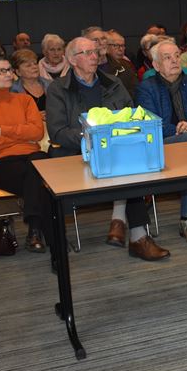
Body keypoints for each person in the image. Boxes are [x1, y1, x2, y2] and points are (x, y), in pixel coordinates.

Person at [47, 37, 170, 261]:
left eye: (95, 52)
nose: (94, 57)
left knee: (134, 169)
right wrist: (92, 138)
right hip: (78, 152)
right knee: (122, 167)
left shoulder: (112, 82)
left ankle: (138, 236)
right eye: (87, 53)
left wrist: (111, 139)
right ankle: (115, 221)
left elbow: (132, 116)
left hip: (115, 149)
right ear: (73, 60)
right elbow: (57, 131)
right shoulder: (58, 89)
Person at [0, 54, 52, 254]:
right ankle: (51, 235)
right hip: (2, 164)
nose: (9, 74)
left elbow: (37, 132)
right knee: (41, 179)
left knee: (38, 167)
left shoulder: (24, 100)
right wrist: (22, 134)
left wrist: (4, 130)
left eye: (9, 69)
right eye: (2, 70)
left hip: (33, 157)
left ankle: (35, 230)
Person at [136, 40, 187, 245]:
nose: (174, 61)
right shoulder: (146, 87)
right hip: (162, 144)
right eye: (167, 58)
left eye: (177, 55)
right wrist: (182, 130)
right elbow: (151, 122)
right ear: (156, 65)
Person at [10, 48, 51, 118]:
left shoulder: (50, 84)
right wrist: (34, 116)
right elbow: (14, 116)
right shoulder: (13, 91)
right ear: (18, 72)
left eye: (35, 63)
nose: (34, 67)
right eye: (28, 65)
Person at [102, 30, 139, 97]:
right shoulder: (99, 66)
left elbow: (135, 89)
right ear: (106, 47)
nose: (121, 49)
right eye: (116, 45)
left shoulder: (127, 65)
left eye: (123, 45)